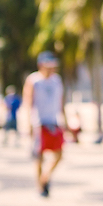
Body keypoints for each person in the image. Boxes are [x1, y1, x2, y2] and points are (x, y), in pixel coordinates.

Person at [23, 51, 66, 197]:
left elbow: (61, 102)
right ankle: (40, 187)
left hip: (54, 121)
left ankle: (45, 178)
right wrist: (28, 123)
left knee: (59, 154)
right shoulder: (33, 80)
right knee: (39, 157)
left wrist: (64, 121)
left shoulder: (57, 80)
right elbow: (28, 103)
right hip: (39, 123)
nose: (51, 69)